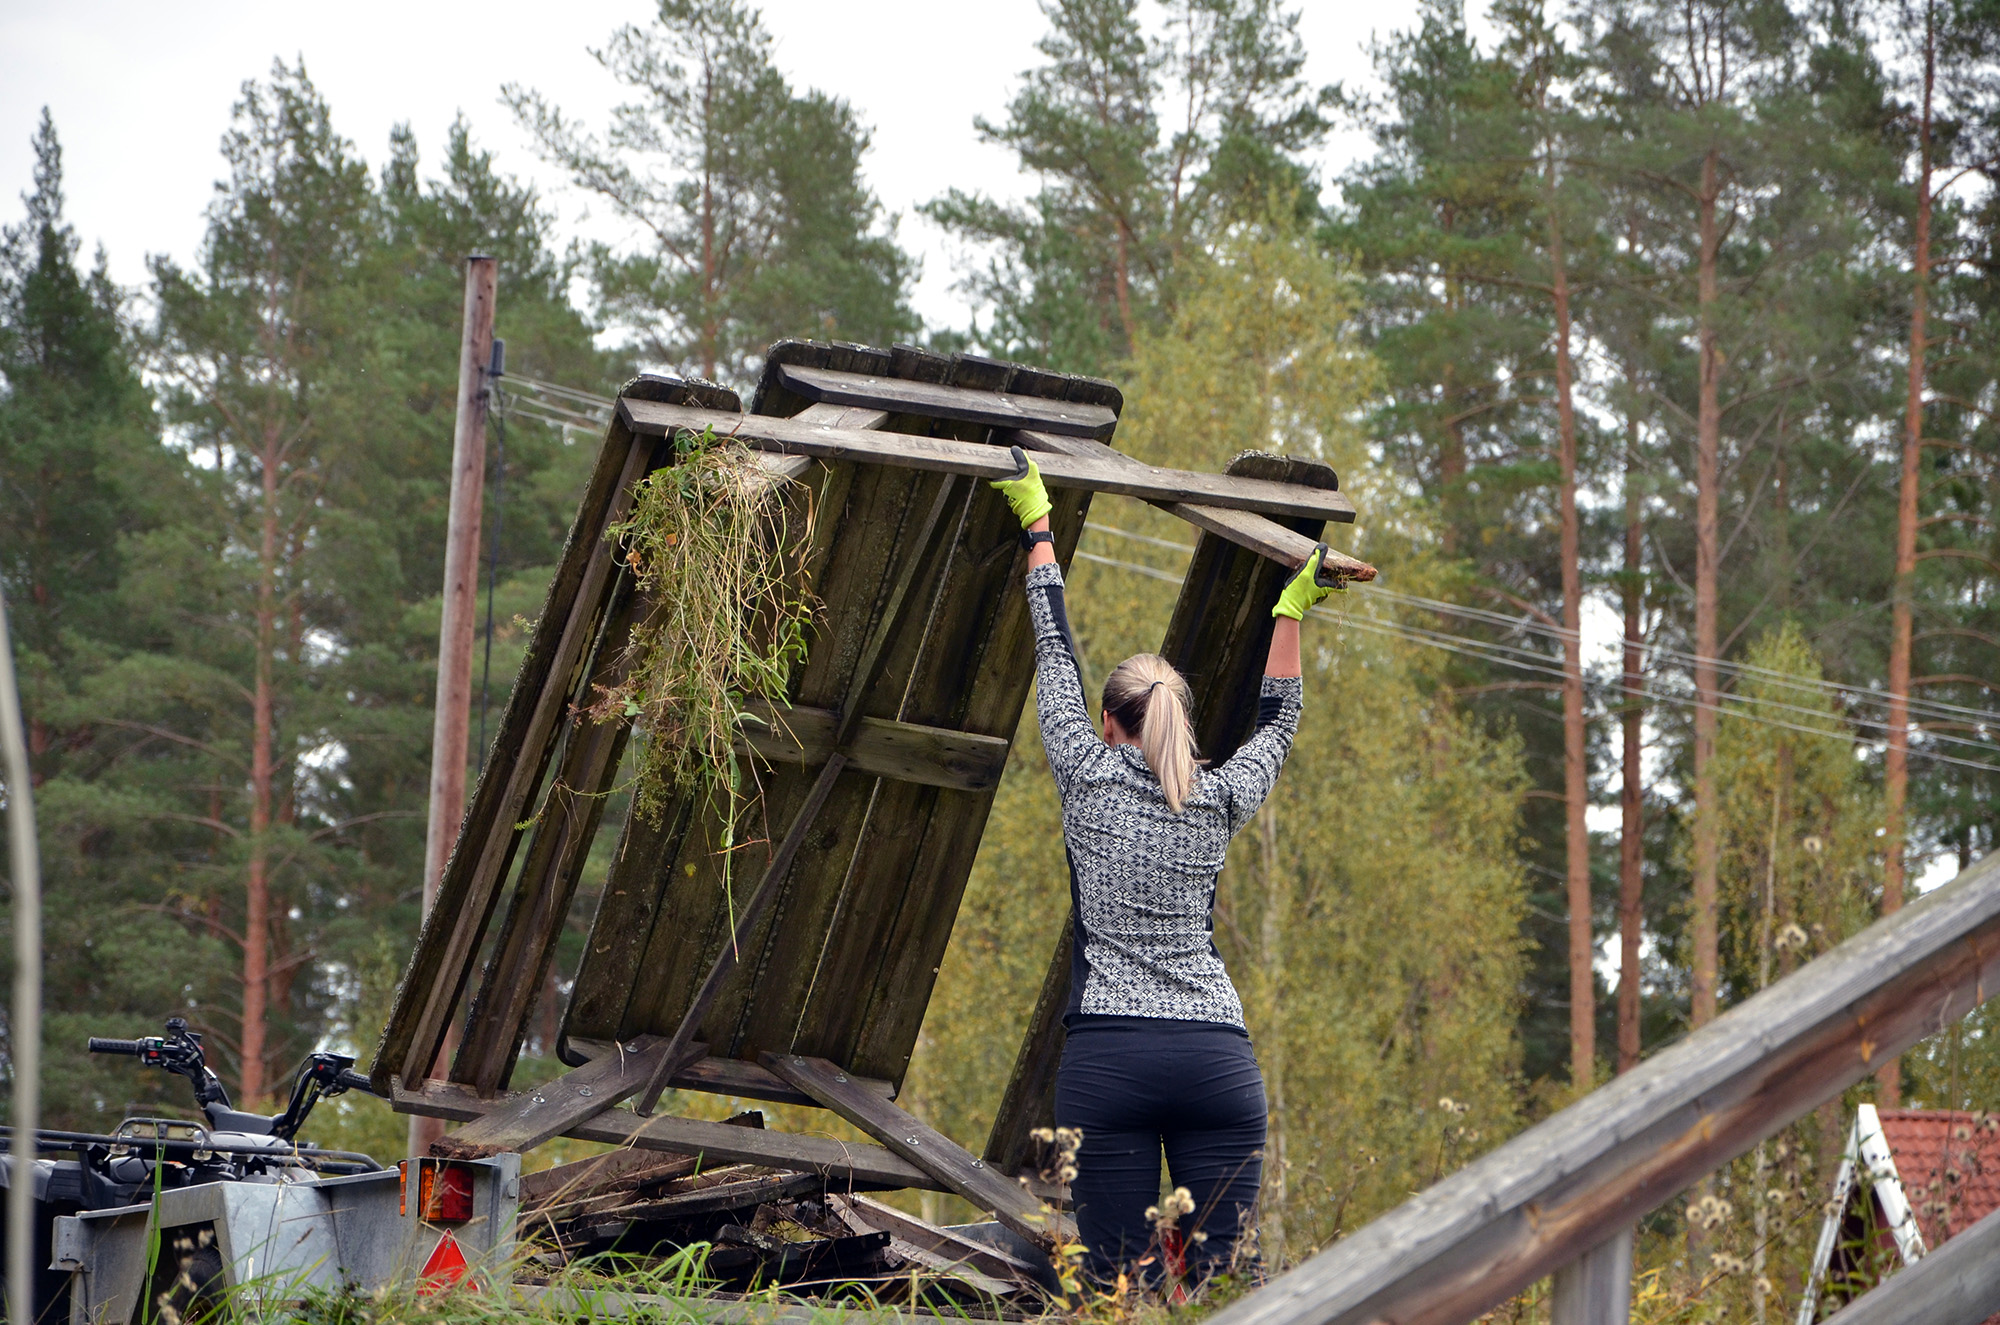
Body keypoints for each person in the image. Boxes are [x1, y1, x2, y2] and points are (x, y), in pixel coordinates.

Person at [989, 455, 1339, 1286]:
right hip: (1218, 1059)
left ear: (1111, 723)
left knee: (1118, 1286)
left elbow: (1053, 651)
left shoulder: (1082, 765)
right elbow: (1278, 721)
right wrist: (1290, 611)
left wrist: (1040, 530)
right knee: (1213, 1292)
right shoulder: (1216, 795)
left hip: (1111, 1060)